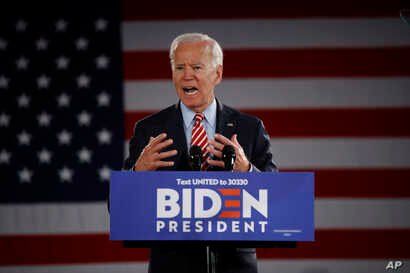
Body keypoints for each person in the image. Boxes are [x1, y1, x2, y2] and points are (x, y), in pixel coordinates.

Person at [123, 33, 277, 273]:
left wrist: (247, 171)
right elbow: (119, 207)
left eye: (196, 67)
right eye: (179, 67)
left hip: (234, 265)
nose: (187, 75)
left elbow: (279, 201)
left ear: (217, 74)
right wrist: (137, 173)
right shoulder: (150, 130)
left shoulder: (249, 128)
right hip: (171, 265)